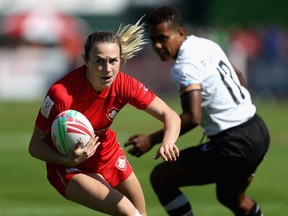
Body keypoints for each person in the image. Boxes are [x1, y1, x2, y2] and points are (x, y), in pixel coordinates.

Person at [124, 6, 270, 216]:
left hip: (233, 143)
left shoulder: (184, 67)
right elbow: (237, 74)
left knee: (161, 178)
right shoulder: (205, 43)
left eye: (163, 38)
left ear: (180, 33)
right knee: (230, 197)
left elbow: (192, 117)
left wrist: (150, 139)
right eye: (154, 39)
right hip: (257, 129)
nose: (158, 45)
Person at [28, 17, 181, 216]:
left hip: (107, 155)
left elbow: (169, 115)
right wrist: (66, 159)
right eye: (99, 61)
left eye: (113, 61)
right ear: (86, 60)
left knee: (141, 215)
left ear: (121, 60)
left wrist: (168, 142)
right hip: (67, 167)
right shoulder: (61, 94)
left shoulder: (124, 84)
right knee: (127, 211)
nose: (107, 69)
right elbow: (34, 146)